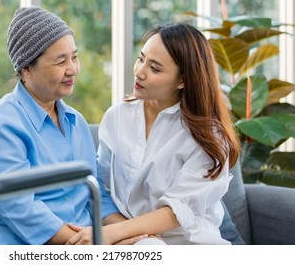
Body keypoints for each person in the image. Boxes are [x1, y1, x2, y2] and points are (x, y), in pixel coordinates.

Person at [0, 6, 130, 245]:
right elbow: (18, 207)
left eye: (74, 56)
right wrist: (89, 246)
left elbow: (95, 195)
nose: (73, 69)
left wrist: (130, 232)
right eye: (61, 61)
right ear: (26, 69)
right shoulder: (0, 122)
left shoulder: (76, 122)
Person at [67, 22, 241, 245]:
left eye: (155, 68)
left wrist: (116, 234)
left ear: (183, 80)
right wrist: (127, 234)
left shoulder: (208, 136)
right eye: (141, 59)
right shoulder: (117, 116)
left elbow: (177, 210)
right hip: (132, 242)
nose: (139, 72)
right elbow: (102, 188)